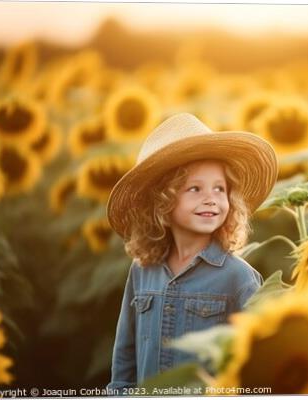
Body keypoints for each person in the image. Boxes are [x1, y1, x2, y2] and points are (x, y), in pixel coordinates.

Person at [105, 113, 278, 391]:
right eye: (195, 188)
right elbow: (125, 353)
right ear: (161, 202)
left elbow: (257, 365)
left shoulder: (238, 278)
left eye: (219, 189)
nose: (210, 198)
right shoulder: (142, 270)